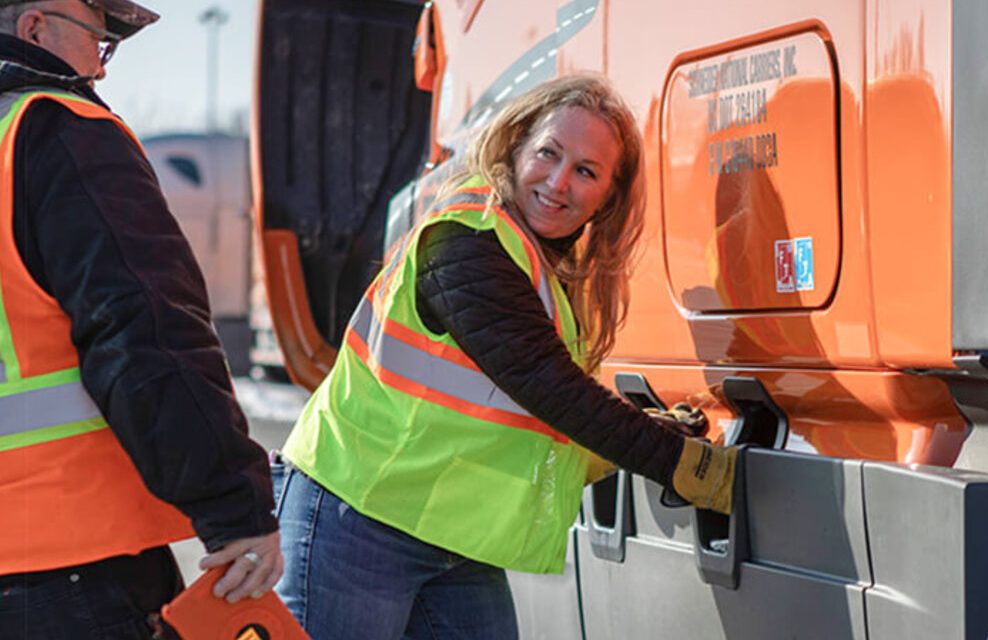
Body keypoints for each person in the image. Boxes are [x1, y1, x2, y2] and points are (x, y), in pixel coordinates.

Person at [272, 74, 738, 639]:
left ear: (608, 197)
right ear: (517, 146)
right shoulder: (469, 241)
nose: (558, 182)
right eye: (548, 153)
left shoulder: (539, 269)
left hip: (450, 537)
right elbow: (547, 386)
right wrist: (687, 467)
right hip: (357, 518)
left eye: (586, 171)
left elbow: (525, 425)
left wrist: (637, 431)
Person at [0, 1, 281, 637]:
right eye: (96, 42)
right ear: (35, 28)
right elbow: (146, 335)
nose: (99, 71)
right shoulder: (56, 131)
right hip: (66, 565)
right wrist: (235, 509)